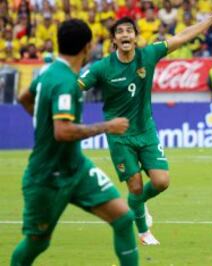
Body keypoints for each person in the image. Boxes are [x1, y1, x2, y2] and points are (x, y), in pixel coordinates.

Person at [77, 6, 212, 245]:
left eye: (130, 30)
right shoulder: (102, 67)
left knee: (161, 182)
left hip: (146, 130)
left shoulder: (148, 55)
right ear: (114, 40)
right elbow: (76, 86)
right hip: (120, 136)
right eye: (120, 32)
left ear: (135, 36)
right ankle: (143, 232)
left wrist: (210, 20)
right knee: (136, 186)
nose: (125, 34)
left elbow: (182, 36)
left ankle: (138, 204)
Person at [11, 19, 139, 265]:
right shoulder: (66, 83)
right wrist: (108, 126)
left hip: (76, 168)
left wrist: (42, 122)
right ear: (87, 47)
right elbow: (63, 132)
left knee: (123, 219)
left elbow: (24, 97)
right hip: (47, 176)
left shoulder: (48, 71)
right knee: (38, 242)